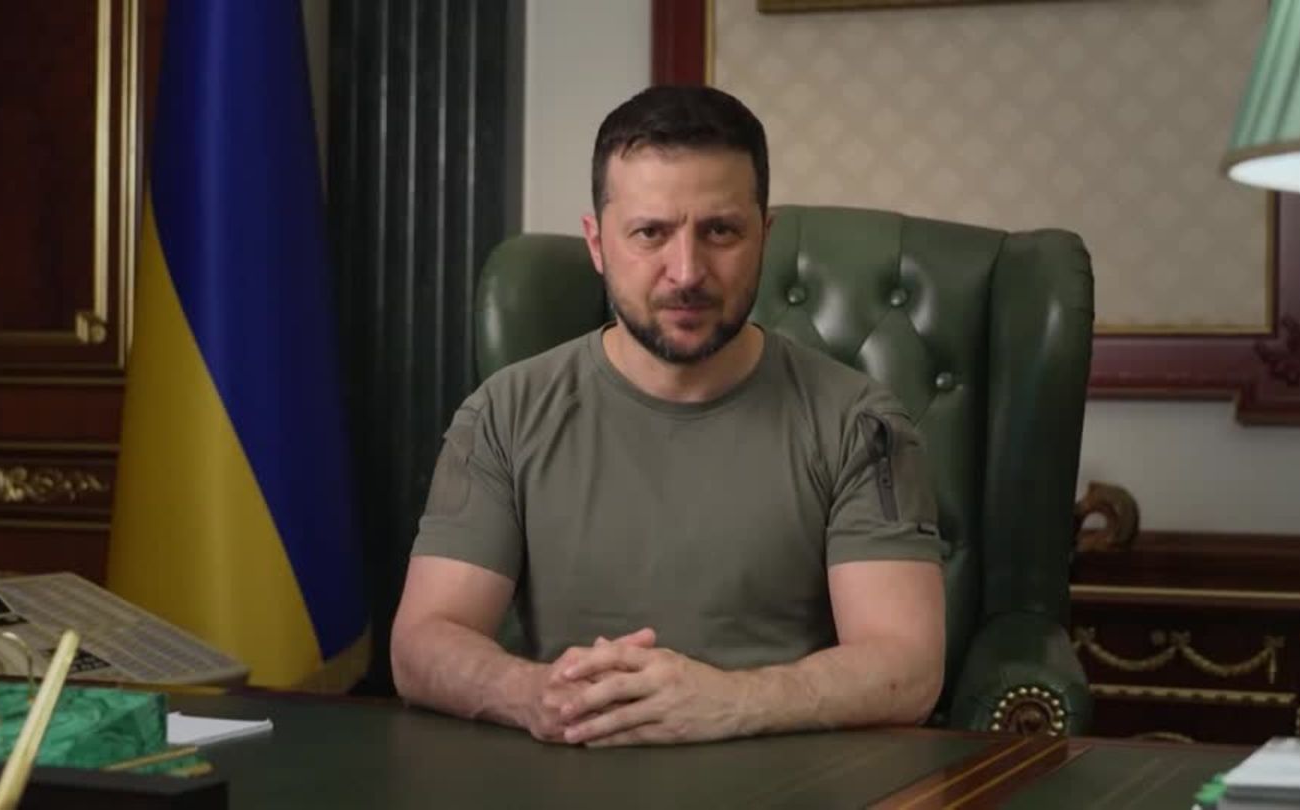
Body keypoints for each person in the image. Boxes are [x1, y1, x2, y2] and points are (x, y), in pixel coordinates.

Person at [390, 85, 946, 748]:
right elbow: (421, 644)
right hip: (570, 767)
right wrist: (532, 695)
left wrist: (729, 703)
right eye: (650, 233)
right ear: (597, 243)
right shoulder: (503, 415)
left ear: (764, 238)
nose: (686, 272)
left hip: (784, 773)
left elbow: (907, 668)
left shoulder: (859, 424)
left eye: (720, 231)